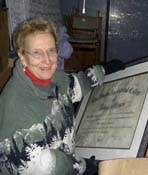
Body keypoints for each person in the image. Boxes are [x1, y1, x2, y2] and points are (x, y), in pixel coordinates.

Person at [0, 17, 105, 175]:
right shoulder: (16, 104)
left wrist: (104, 71)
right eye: (37, 53)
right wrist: (82, 166)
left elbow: (73, 87)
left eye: (51, 50)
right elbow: (42, 165)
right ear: (22, 56)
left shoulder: (52, 79)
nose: (47, 60)